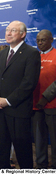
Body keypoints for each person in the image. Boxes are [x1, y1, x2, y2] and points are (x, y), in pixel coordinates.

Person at [0, 20, 41, 169]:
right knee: (1, 149)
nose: (8, 33)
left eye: (13, 30)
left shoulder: (32, 53)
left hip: (18, 110)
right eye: (7, 30)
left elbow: (29, 83)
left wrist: (8, 101)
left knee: (22, 151)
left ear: (23, 34)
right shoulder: (2, 53)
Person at [32, 29, 56, 169]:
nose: (40, 43)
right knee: (39, 138)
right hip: (36, 105)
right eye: (38, 40)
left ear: (51, 40)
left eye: (43, 40)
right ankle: (41, 164)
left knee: (54, 138)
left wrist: (45, 97)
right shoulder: (35, 56)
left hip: (52, 105)